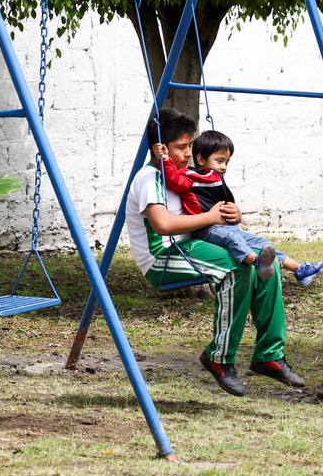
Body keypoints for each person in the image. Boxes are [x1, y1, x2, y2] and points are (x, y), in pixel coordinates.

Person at [128, 107, 305, 396]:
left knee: (264, 266)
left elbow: (212, 210)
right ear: (159, 147)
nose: (187, 153)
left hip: (195, 244)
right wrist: (211, 218)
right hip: (163, 257)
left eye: (189, 146)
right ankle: (219, 358)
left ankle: (269, 355)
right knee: (238, 268)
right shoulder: (150, 179)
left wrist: (232, 213)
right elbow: (163, 224)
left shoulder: (185, 175)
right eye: (180, 147)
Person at [152, 128, 323, 287]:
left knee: (262, 243)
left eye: (226, 162)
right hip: (205, 229)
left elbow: (227, 203)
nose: (224, 167)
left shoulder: (214, 177)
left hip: (225, 227)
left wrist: (235, 214)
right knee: (232, 239)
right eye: (219, 161)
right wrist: (165, 159)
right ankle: (257, 263)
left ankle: (300, 270)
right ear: (200, 159)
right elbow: (174, 181)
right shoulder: (190, 175)